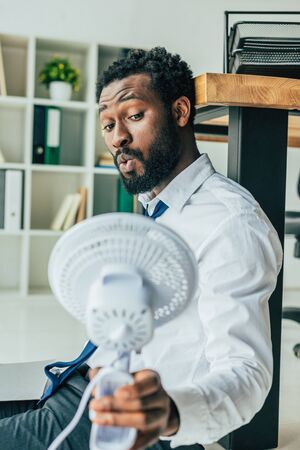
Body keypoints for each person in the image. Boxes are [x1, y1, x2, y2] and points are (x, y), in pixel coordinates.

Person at [0, 47, 282, 450]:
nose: (117, 137)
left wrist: (171, 412)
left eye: (133, 116)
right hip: (79, 385)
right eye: (108, 124)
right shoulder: (155, 207)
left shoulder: (229, 222)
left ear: (180, 112)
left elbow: (246, 371)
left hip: (133, 424)